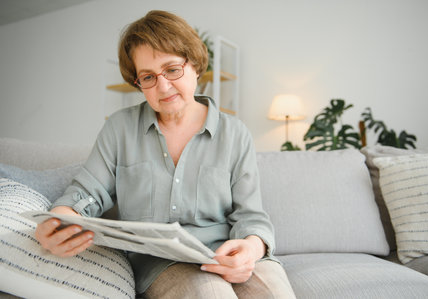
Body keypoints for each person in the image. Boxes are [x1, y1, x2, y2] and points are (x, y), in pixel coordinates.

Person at [35, 10, 295, 298]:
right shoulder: (119, 128)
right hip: (161, 263)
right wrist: (55, 223)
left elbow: (251, 216)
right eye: (148, 76)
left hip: (226, 251)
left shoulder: (235, 133)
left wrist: (251, 247)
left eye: (172, 69)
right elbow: (85, 194)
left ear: (195, 65)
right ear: (138, 82)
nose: (163, 86)